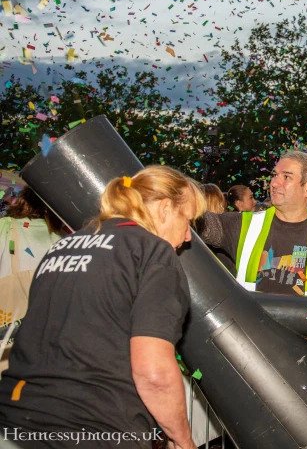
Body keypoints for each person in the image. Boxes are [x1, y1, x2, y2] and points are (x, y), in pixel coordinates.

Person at [0, 166, 204, 448]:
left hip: (17, 420)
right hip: (94, 427)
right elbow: (152, 371)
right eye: (188, 221)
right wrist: (182, 439)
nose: (188, 237)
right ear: (166, 208)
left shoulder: (63, 246)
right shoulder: (153, 252)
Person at [199, 150, 307, 364]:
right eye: (274, 175)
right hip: (253, 358)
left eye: (286, 177)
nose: (274, 183)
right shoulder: (244, 225)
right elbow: (199, 224)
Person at [0, 187, 65, 371]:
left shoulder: (5, 226)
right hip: (50, 338)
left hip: (7, 335)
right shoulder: (66, 237)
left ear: (22, 201)